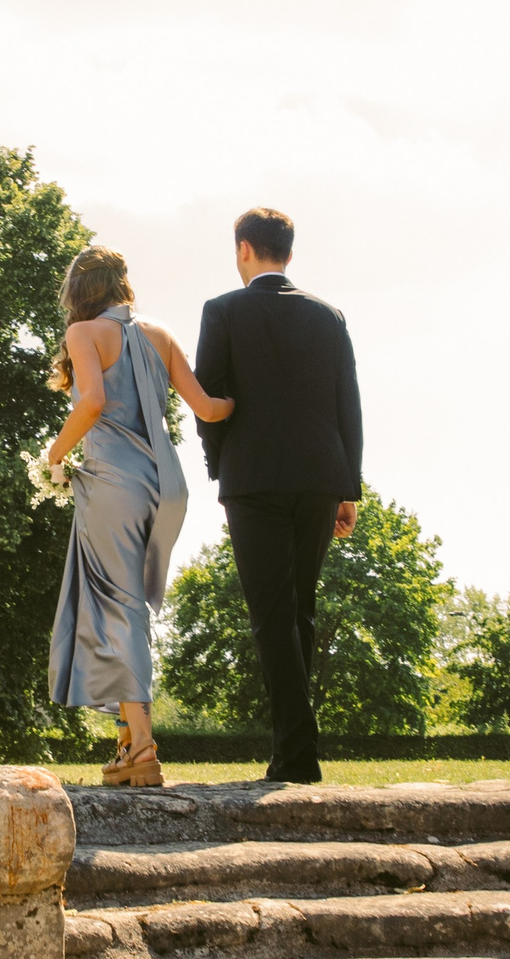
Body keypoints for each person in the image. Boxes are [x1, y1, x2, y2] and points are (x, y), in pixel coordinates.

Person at [46, 245, 234, 788]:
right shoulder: (160, 333)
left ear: (79, 291)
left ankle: (144, 747)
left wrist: (53, 457)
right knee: (127, 606)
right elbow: (210, 409)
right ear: (121, 283)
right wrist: (247, 398)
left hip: (115, 484)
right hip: (167, 487)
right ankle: (129, 742)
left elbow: (92, 403)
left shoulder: (83, 334)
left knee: (116, 606)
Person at [194, 207, 364, 786]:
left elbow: (208, 403)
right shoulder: (330, 316)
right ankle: (293, 751)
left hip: (254, 481)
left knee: (272, 618)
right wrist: (349, 488)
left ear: (244, 248)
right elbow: (349, 406)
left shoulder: (222, 311)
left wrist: (222, 469)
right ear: (287, 252)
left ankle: (296, 755)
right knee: (299, 612)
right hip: (321, 479)